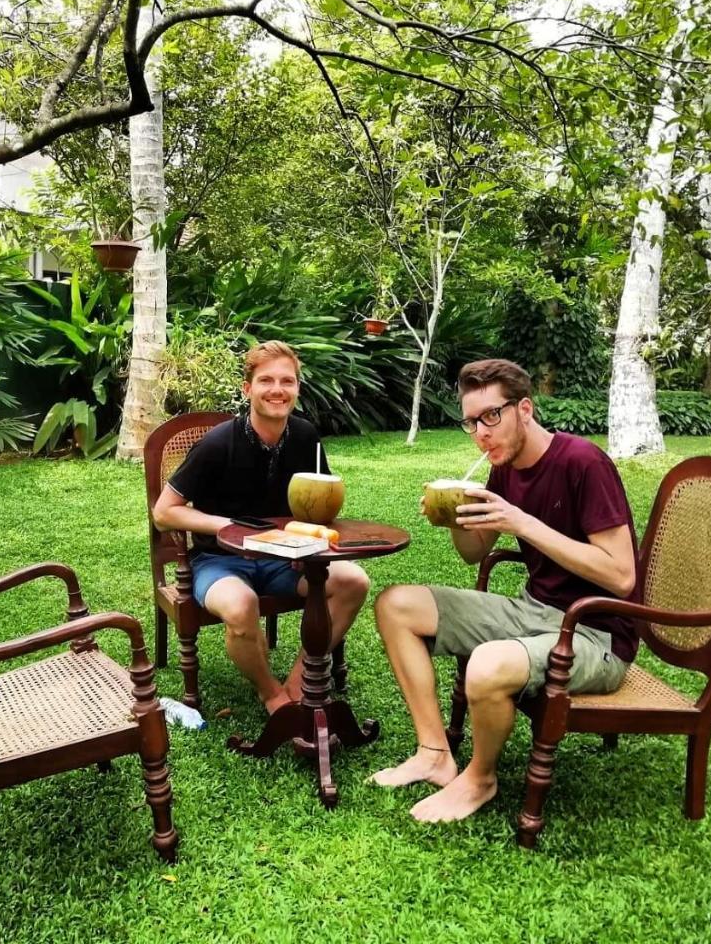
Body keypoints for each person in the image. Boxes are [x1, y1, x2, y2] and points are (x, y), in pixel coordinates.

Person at [371, 358, 639, 822]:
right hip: (534, 610)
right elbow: (474, 553)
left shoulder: (583, 462)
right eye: (471, 422)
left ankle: (480, 778)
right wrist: (456, 515)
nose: (481, 433)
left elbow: (621, 576)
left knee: (487, 664)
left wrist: (524, 523)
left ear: (525, 409)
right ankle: (434, 752)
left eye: (491, 416)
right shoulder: (503, 467)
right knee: (396, 605)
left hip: (596, 635)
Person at [152, 340, 370, 714]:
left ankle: (301, 680)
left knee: (354, 582)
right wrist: (228, 525)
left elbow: (317, 506)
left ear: (298, 388)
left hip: (284, 559)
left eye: (287, 381)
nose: (277, 390)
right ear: (247, 388)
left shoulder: (305, 438)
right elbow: (165, 511)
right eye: (266, 380)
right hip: (219, 560)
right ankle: (271, 694)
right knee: (240, 606)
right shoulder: (217, 444)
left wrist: (307, 548)